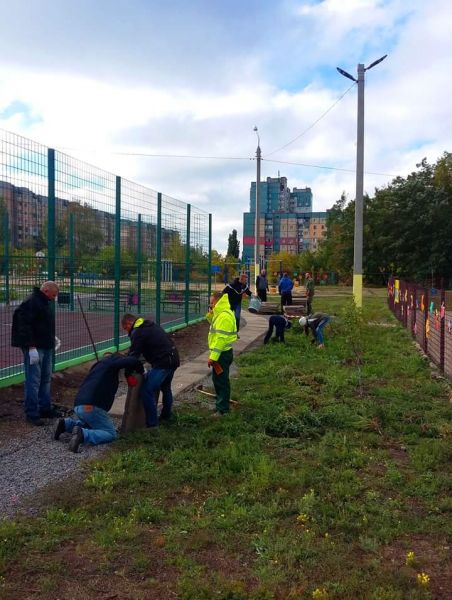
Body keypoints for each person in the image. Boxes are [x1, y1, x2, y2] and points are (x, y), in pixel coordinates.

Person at [54, 352, 144, 452]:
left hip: (79, 406)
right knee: (110, 433)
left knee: (91, 423)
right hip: (92, 407)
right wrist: (141, 371)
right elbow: (132, 361)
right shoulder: (112, 364)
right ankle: (83, 435)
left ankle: (65, 424)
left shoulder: (97, 366)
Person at [11, 281, 59, 425]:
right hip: (36, 347)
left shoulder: (43, 302)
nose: (54, 298)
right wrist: (31, 347)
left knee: (45, 378)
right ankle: (32, 412)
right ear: (46, 290)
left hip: (45, 346)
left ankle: (44, 408)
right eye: (53, 294)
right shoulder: (32, 302)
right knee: (33, 381)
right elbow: (23, 324)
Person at [121, 313, 180, 428]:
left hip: (163, 363)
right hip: (173, 359)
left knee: (146, 391)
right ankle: (166, 416)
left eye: (125, 328)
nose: (126, 331)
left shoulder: (138, 332)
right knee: (166, 387)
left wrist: (127, 372)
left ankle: (152, 424)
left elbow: (134, 355)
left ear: (129, 323)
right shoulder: (149, 325)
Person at [206, 291, 238, 416]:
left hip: (222, 354)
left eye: (212, 302)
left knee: (221, 381)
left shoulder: (224, 316)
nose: (210, 304)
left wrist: (213, 357)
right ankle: (221, 405)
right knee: (218, 380)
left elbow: (220, 339)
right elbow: (213, 324)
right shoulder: (221, 314)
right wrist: (211, 313)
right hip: (221, 353)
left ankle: (223, 409)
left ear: (217, 301)